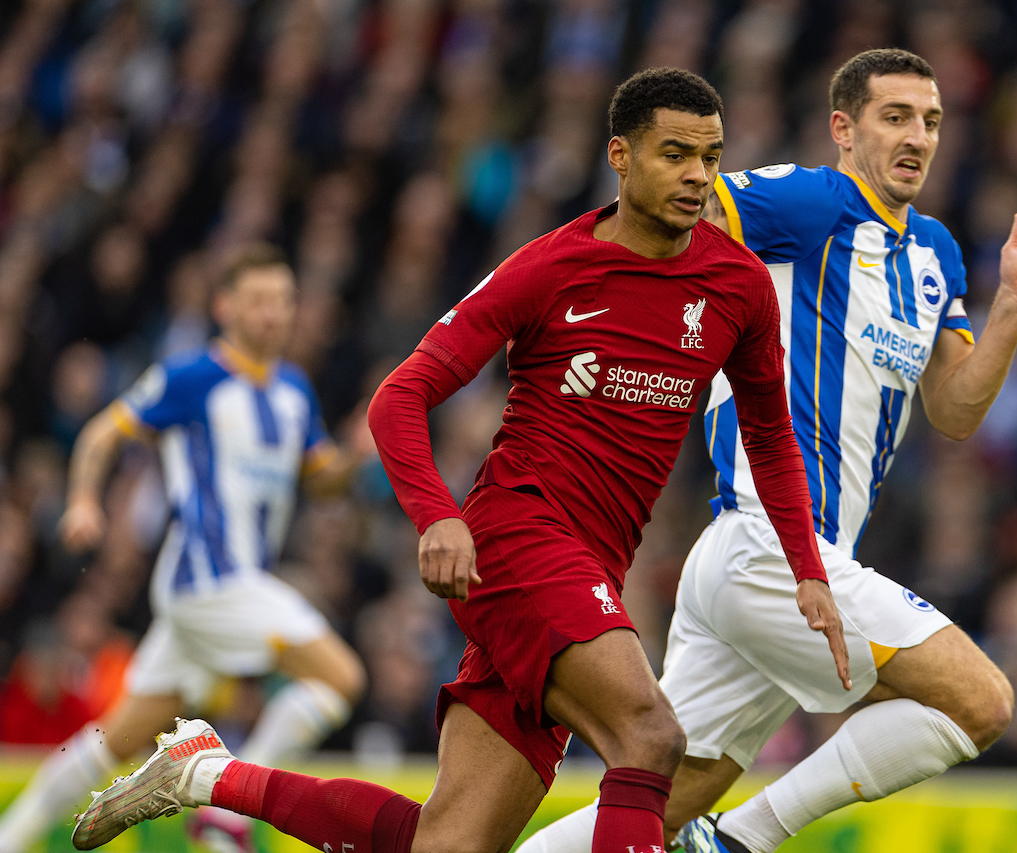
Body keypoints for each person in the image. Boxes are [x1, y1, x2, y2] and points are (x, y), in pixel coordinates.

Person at [70, 67, 851, 853]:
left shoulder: (738, 285)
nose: (697, 176)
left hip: (592, 568)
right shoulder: (551, 267)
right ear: (620, 154)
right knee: (649, 736)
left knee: (445, 844)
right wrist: (439, 514)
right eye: (675, 153)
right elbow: (398, 397)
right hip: (518, 538)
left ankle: (206, 776)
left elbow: (772, 439)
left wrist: (807, 570)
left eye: (711, 156)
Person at [517, 47, 1017, 853]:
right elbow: (674, 211)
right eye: (896, 116)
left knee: (648, 812)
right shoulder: (812, 202)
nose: (919, 135)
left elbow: (952, 409)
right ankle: (744, 838)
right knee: (980, 701)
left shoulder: (935, 254)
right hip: (768, 543)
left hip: (780, 566)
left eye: (933, 121)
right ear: (843, 128)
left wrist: (1013, 306)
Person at [0, 244, 368, 853]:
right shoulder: (189, 377)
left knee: (114, 739)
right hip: (206, 581)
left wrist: (357, 453)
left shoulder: (294, 390)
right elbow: (101, 433)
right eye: (259, 301)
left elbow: (323, 477)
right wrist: (84, 501)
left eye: (283, 300)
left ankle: (11, 837)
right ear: (225, 306)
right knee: (342, 677)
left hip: (230, 589)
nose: (273, 314)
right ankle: (230, 816)